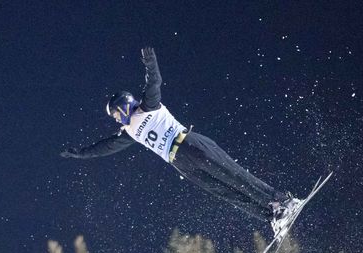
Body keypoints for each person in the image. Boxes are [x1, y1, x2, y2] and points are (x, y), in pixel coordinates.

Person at [60, 47, 302, 236]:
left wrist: (149, 62)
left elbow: (154, 82)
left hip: (190, 144)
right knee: (224, 191)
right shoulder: (129, 132)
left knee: (234, 176)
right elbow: (105, 147)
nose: (115, 119)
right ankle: (273, 216)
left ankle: (282, 200)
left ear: (123, 106)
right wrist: (80, 154)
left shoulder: (149, 106)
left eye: (115, 114)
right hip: (180, 163)